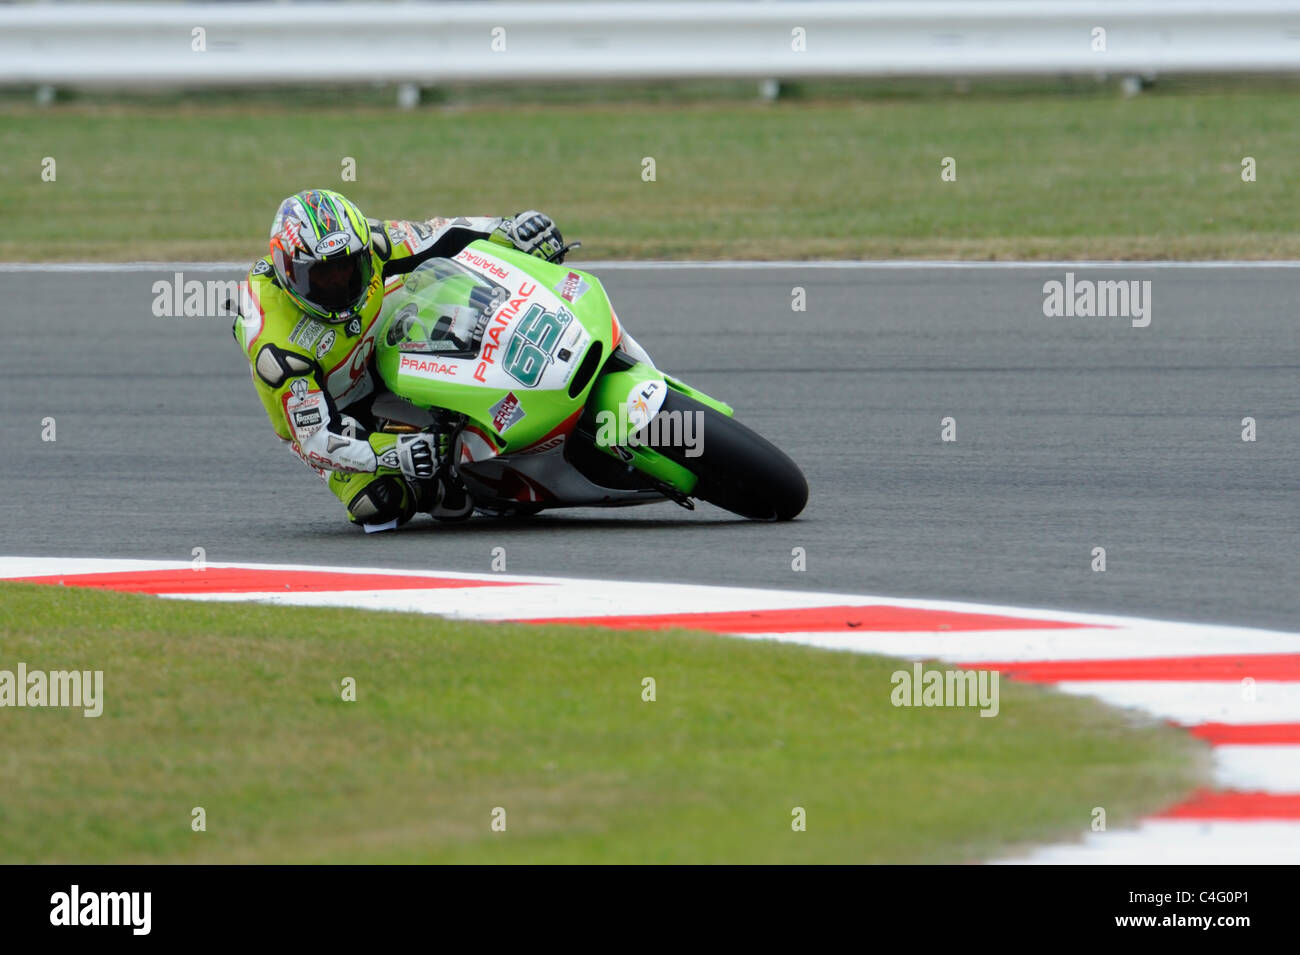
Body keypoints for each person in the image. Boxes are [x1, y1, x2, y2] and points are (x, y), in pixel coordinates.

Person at [232, 188, 566, 530]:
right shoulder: (277, 346)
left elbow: (442, 234)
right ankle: (437, 482)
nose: (340, 285)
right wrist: (396, 452)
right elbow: (317, 439)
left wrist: (509, 229)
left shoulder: (373, 241)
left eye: (349, 269)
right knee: (378, 504)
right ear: (288, 272)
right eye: (322, 276)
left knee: (440, 280)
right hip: (338, 411)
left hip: (381, 346)